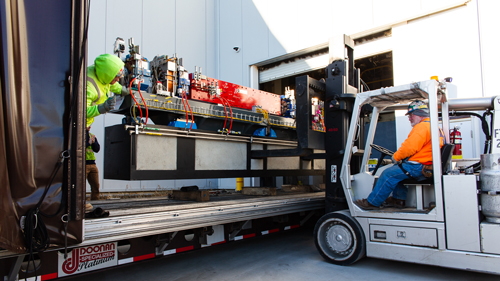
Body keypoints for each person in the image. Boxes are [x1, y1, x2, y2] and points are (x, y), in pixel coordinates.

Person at [354, 100, 445, 210]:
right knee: (396, 171)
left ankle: (372, 202)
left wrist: (396, 157)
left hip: (418, 166)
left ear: (419, 114)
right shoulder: (433, 126)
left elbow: (410, 147)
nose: (409, 118)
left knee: (387, 174)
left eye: (411, 115)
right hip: (425, 164)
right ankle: (398, 200)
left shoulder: (422, 127)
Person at [87, 53, 129, 128]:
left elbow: (110, 83)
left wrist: (121, 90)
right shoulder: (89, 87)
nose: (118, 79)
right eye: (116, 77)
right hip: (81, 126)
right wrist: (101, 108)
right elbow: (81, 111)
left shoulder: (102, 71)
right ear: (108, 75)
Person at [86, 126, 100, 203]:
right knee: (80, 186)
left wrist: (93, 142)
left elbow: (97, 149)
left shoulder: (92, 136)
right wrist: (88, 143)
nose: (90, 126)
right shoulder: (79, 136)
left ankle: (95, 202)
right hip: (83, 164)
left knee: (95, 186)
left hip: (93, 164)